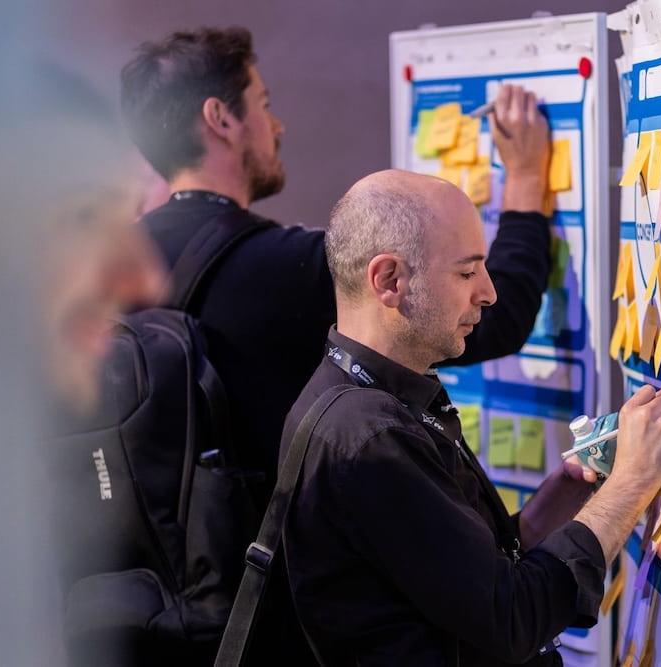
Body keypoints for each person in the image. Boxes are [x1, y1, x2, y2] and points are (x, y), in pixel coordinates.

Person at [120, 26, 555, 510]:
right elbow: (496, 320)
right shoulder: (285, 266)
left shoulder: (116, 259)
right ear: (220, 118)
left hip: (160, 547)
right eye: (264, 104)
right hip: (269, 552)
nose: (277, 126)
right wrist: (525, 180)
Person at [278, 169, 661, 666]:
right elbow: (510, 616)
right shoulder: (372, 437)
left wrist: (566, 490)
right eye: (467, 273)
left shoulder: (363, 398)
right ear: (389, 281)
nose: (488, 293)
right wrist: (632, 482)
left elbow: (468, 576)